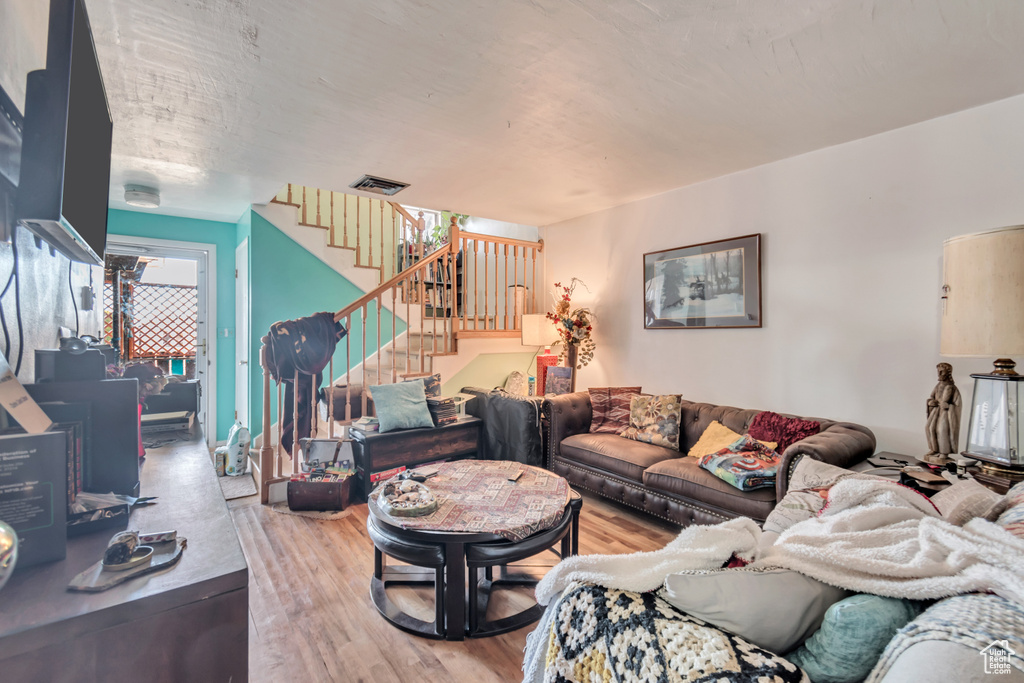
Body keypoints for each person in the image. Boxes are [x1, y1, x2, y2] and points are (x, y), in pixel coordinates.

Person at [925, 362, 962, 458]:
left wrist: (949, 406)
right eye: (938, 372)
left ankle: (944, 452)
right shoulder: (938, 386)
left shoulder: (952, 387)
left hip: (946, 413)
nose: (939, 374)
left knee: (942, 430)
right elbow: (932, 397)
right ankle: (934, 448)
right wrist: (931, 402)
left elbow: (957, 404)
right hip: (936, 411)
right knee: (929, 428)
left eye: (942, 372)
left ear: (948, 373)